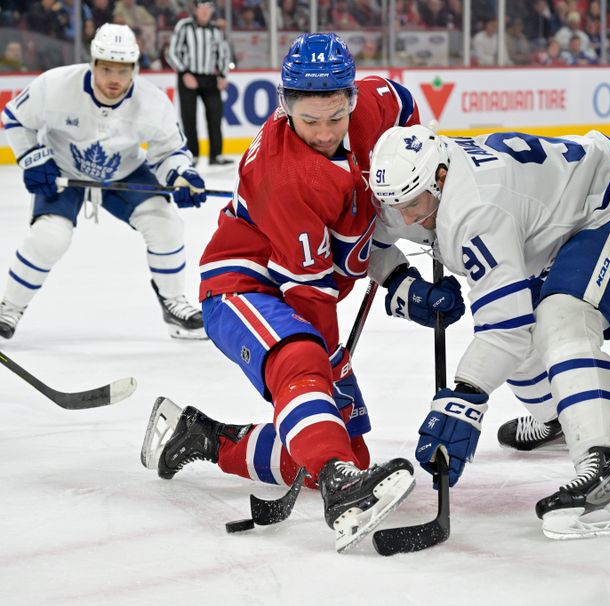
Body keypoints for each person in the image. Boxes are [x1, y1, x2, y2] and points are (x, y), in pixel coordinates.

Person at [140, 33, 465, 553]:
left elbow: (405, 111)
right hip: (242, 284)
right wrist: (329, 373)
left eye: (335, 117)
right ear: (285, 105)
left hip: (303, 284)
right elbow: (312, 305)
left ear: (351, 98)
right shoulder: (283, 177)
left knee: (336, 447)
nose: (323, 132)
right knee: (305, 360)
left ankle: (201, 436)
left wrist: (405, 261)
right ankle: (341, 487)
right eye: (309, 120)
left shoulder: (375, 103)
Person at [368, 124, 610, 539]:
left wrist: (464, 399)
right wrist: (399, 280)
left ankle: (607, 476)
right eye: (394, 205)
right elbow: (370, 240)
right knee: (520, 340)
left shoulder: (474, 208)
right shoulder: (415, 185)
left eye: (414, 205)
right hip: (551, 231)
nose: (405, 219)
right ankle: (561, 421)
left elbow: (503, 329)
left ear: (440, 178)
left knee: (562, 320)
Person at [0, 23, 207, 340]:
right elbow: (15, 117)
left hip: (123, 172)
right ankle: (8, 308)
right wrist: (33, 157)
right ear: (92, 63)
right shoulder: (56, 85)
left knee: (166, 225)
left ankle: (173, 303)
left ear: (135, 70)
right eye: (107, 68)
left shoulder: (151, 103)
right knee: (49, 237)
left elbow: (170, 151)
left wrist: (180, 175)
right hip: (63, 171)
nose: (114, 79)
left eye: (123, 71)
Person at [166, 0, 233, 166]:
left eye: (208, 8)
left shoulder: (216, 30)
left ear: (212, 11)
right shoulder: (184, 26)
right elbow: (172, 52)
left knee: (215, 116)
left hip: (210, 78)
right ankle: (192, 154)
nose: (205, 11)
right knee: (189, 117)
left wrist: (223, 74)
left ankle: (215, 155)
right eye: (201, 7)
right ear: (195, 9)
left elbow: (223, 53)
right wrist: (184, 72)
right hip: (188, 77)